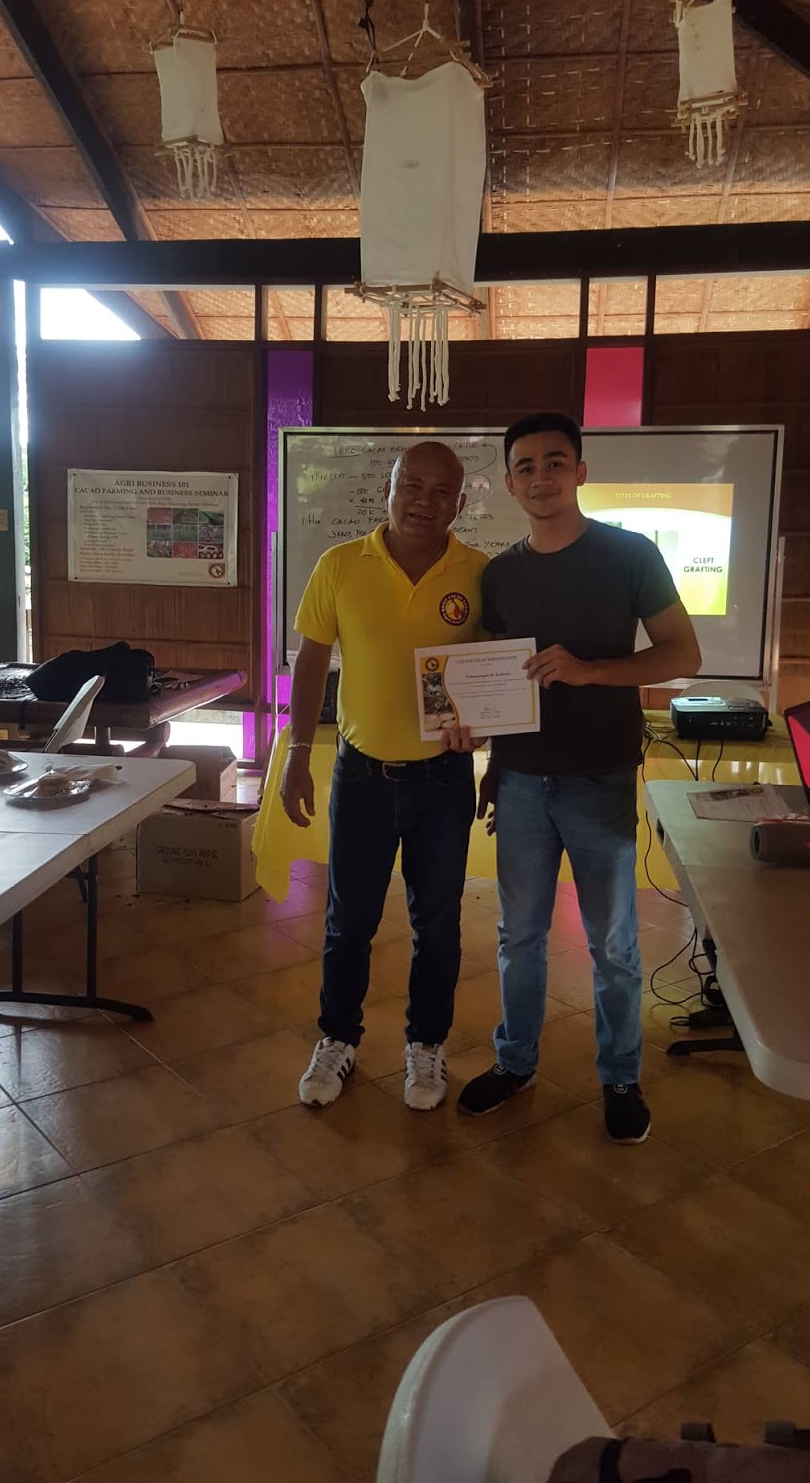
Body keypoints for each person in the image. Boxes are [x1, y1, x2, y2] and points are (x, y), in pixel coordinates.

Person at [457, 412, 701, 1143]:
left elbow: (682, 653)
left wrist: (591, 671)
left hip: (600, 777)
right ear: (510, 484)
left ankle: (621, 1078)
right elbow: (494, 683)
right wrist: (491, 761)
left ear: (581, 472)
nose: (541, 477)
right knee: (518, 937)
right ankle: (515, 1062)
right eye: (526, 467)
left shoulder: (629, 555)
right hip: (522, 783)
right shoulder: (499, 575)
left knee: (613, 947)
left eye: (555, 462)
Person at [281, 441, 488, 1112]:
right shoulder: (340, 564)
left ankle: (426, 1045)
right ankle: (337, 1037)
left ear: (460, 503)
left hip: (444, 781)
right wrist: (296, 755)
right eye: (412, 486)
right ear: (389, 489)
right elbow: (311, 660)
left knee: (439, 925)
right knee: (348, 922)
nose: (424, 502)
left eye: (440, 491)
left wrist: (492, 742)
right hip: (361, 776)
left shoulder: (481, 574)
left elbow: (499, 672)